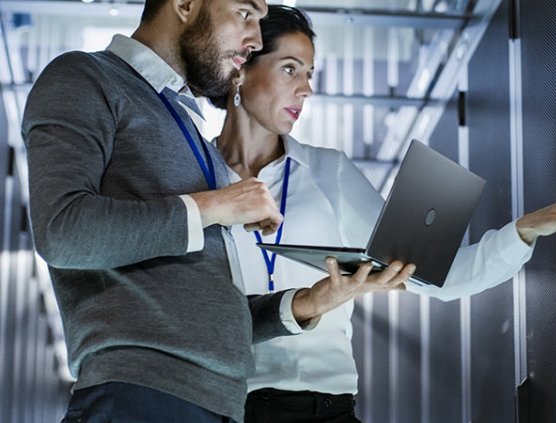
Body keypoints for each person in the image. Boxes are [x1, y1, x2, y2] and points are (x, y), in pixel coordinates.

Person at [209, 5, 556, 423]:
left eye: (310, 74)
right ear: (241, 66)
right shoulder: (193, 179)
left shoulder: (328, 172)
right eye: (290, 69)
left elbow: (438, 278)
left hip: (328, 411)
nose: (306, 90)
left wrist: (529, 228)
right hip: (225, 410)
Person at [17, 0, 327, 422]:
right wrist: (216, 205)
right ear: (184, 4)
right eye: (244, 13)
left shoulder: (189, 129)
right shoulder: (85, 77)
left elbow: (200, 315)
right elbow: (62, 231)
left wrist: (306, 303)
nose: (254, 39)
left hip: (216, 404)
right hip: (139, 396)